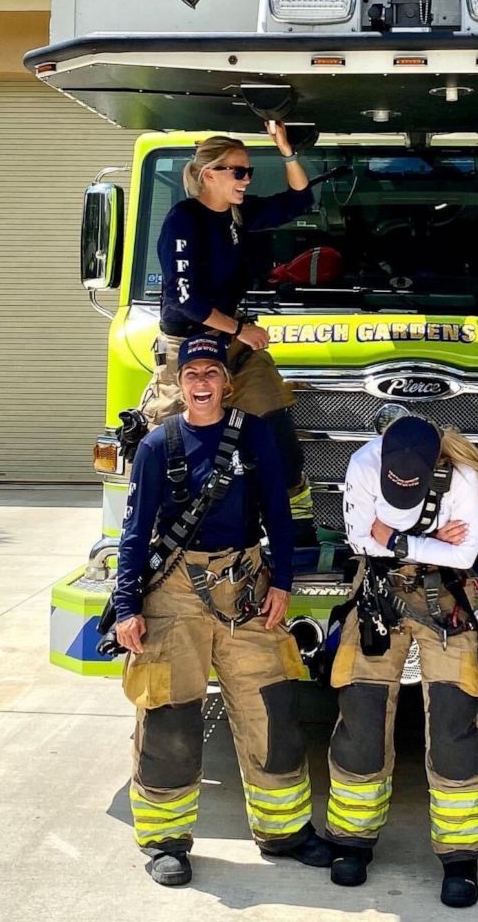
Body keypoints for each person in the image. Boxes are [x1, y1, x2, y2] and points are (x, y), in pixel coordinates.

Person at [115, 334, 332, 886]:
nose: (203, 384)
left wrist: (282, 580)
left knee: (272, 708)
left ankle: (285, 831)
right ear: (180, 384)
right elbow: (135, 533)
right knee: (170, 716)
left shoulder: (254, 434)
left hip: (246, 588)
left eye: (212, 373)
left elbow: (279, 515)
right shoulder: (156, 446)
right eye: (192, 375)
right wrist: (125, 607)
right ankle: (165, 840)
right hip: (173, 592)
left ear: (226, 383)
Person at [322, 416, 478, 909]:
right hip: (378, 593)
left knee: (452, 721)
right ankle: (352, 841)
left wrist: (397, 537)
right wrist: (431, 537)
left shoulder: (463, 475)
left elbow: (463, 555)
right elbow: (362, 541)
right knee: (360, 713)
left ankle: (461, 856)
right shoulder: (362, 462)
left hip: (446, 599)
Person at [141, 122, 316, 534]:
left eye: (249, 172)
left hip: (234, 344)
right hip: (189, 346)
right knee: (181, 441)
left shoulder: (239, 214)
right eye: (238, 172)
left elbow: (299, 200)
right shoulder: (183, 220)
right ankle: (165, 527)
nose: (246, 179)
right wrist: (239, 328)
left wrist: (286, 150)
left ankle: (297, 521)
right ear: (209, 175)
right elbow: (186, 300)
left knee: (275, 425)